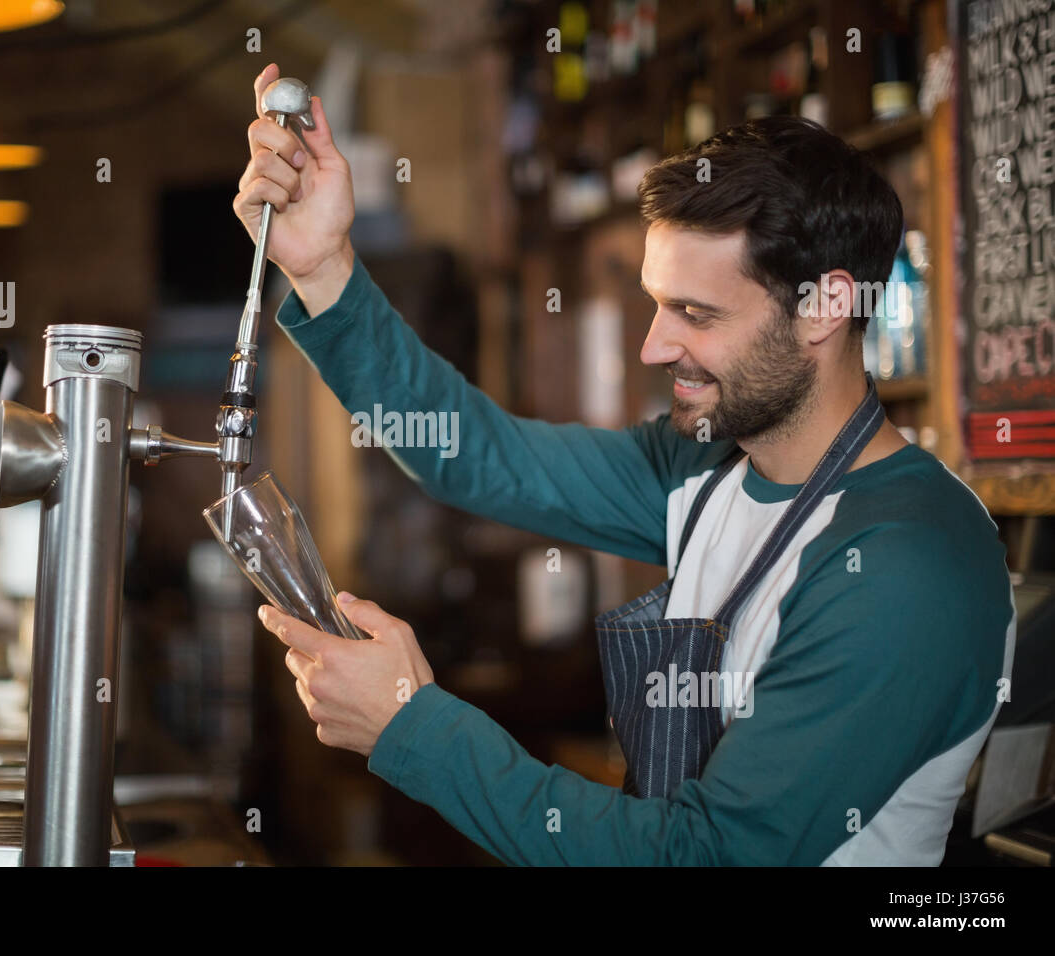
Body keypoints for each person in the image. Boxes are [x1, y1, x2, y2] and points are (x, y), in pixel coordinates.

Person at [234, 63, 1015, 865]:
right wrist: (323, 269)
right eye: (657, 303)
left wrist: (414, 726)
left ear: (825, 306)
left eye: (695, 313)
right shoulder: (703, 468)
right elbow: (474, 455)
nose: (653, 346)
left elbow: (705, 858)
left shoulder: (905, 563)